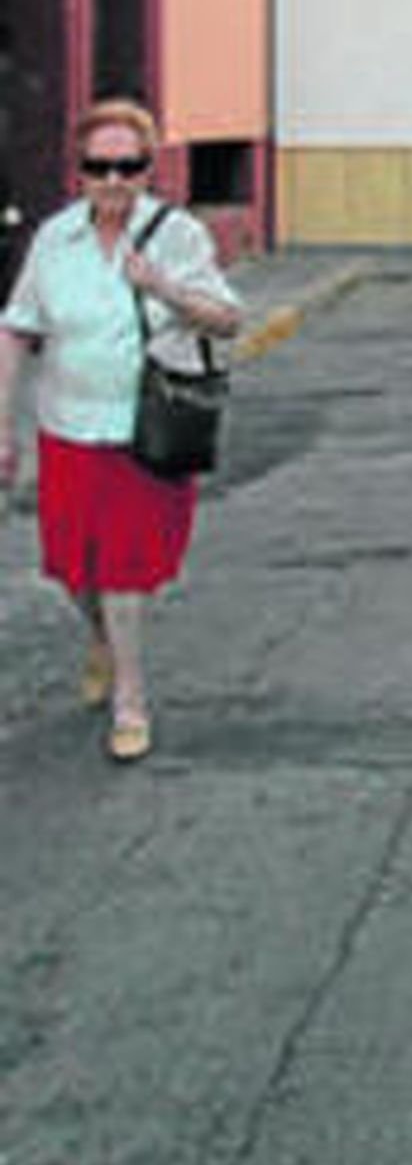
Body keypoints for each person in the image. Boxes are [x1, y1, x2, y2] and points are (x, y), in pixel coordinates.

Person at [0, 98, 242, 763]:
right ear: (78, 170)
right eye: (98, 166)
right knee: (73, 568)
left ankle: (130, 699)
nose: (112, 180)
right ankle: (101, 638)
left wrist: (161, 286)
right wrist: (4, 427)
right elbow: (17, 327)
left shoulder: (178, 235)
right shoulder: (55, 238)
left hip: (144, 431)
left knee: (124, 573)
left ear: (148, 170)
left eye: (128, 166)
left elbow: (226, 319)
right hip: (68, 428)